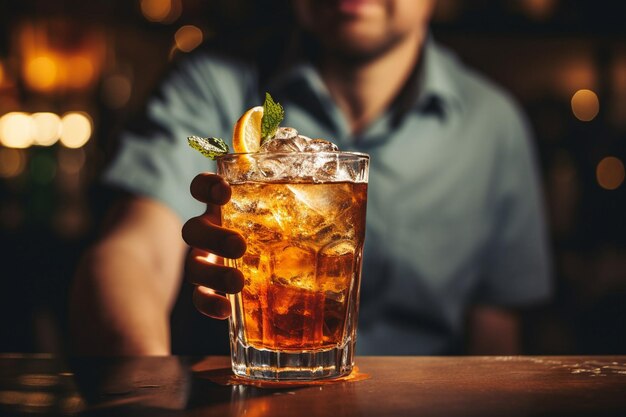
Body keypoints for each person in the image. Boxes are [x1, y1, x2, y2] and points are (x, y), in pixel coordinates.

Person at [69, 0, 552, 355]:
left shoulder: (494, 123)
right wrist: (142, 391)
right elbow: (131, 254)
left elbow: (497, 329)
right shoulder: (212, 83)